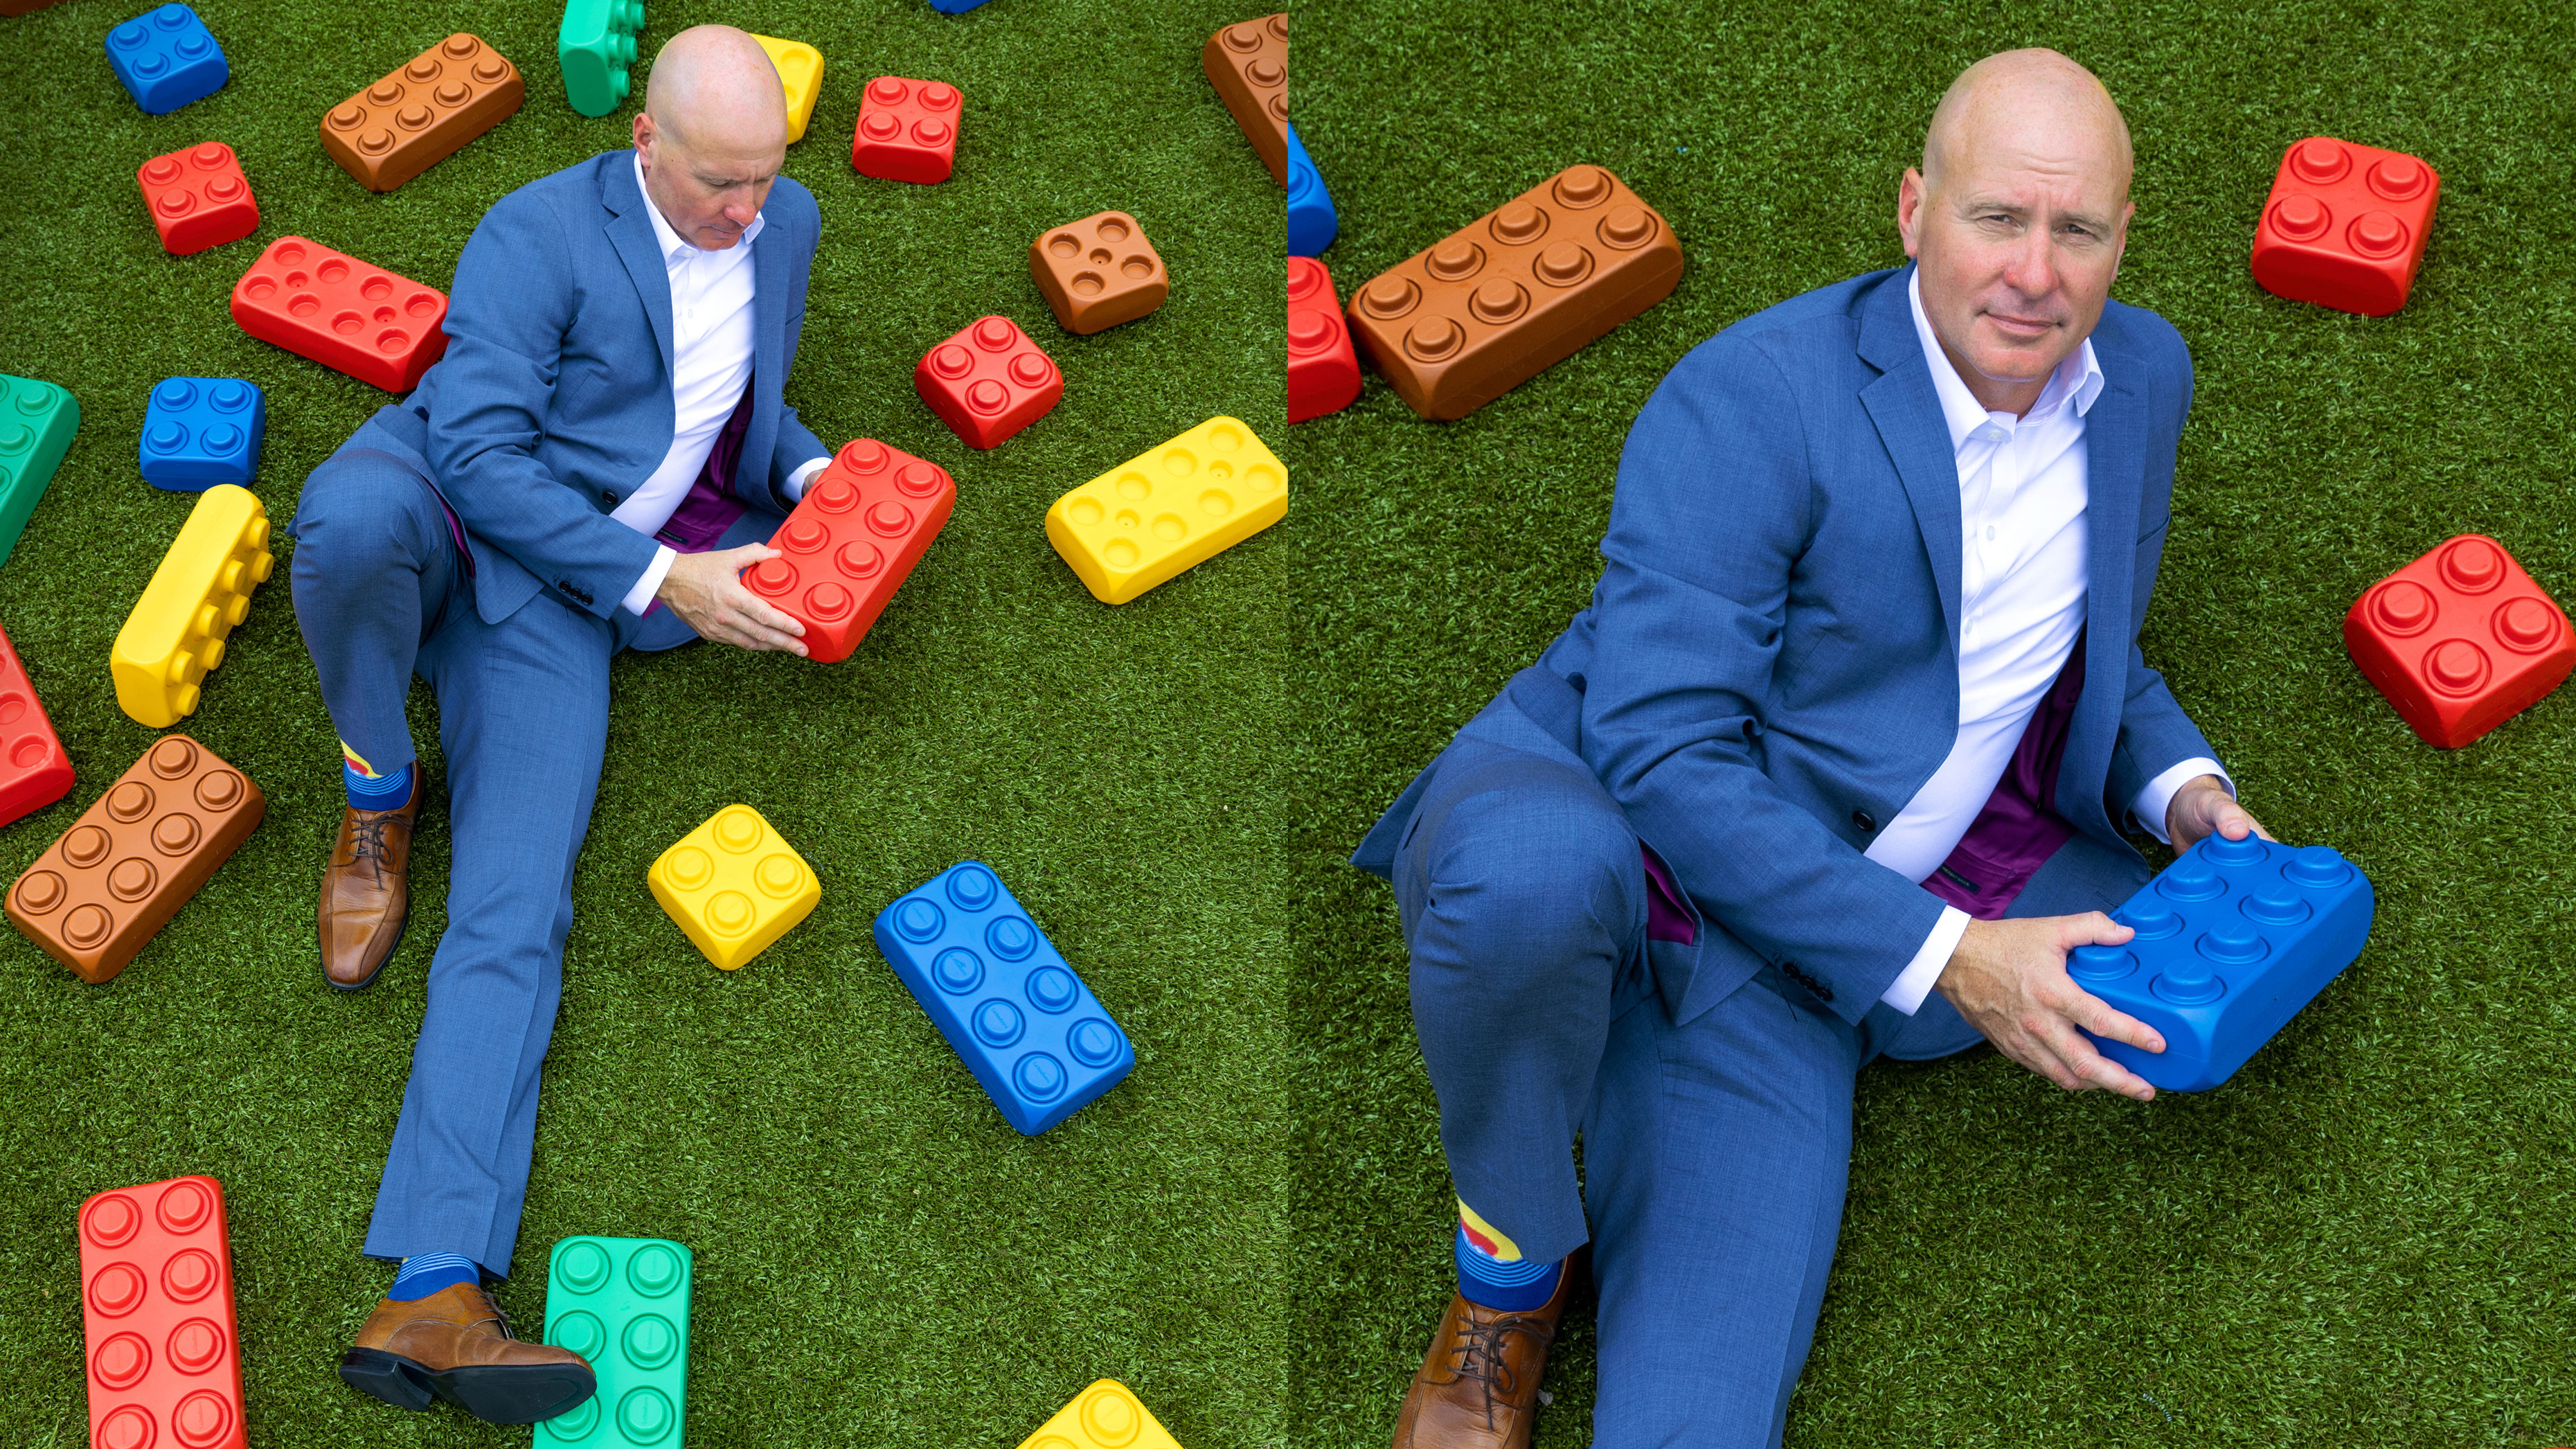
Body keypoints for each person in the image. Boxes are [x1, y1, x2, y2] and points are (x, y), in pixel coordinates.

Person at [1353, 49, 2273, 1449]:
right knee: (1528, 875)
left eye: (2076, 230)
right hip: (1617, 822)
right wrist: (1951, 956)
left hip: (1796, 960)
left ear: (2122, 240)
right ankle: (1510, 1274)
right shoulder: (1752, 399)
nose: (2036, 271)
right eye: (1996, 219)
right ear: (1914, 211)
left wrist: (2183, 785)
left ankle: (1676, 1078)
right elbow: (1658, 747)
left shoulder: (2144, 377)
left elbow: (2097, 644)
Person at [290, 26, 828, 1426]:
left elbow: (737, 414)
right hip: (456, 506)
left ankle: (435, 1283)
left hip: (559, 600)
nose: (750, 212)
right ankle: (377, 781)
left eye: (769, 178)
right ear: (648, 143)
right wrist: (664, 579)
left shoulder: (788, 222)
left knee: (517, 906)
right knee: (347, 523)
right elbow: (474, 453)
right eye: (722, 182)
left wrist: (823, 472)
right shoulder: (533, 234)